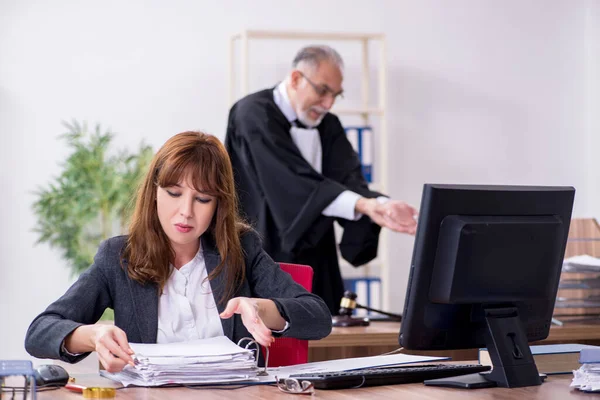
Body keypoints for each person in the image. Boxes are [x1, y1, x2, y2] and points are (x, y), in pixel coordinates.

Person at [25, 131, 332, 372]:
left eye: (202, 199)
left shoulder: (241, 249)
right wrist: (94, 336)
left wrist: (262, 309)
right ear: (154, 193)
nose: (185, 212)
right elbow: (40, 332)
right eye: (174, 193)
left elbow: (318, 317)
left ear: (218, 205)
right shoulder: (118, 256)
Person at [225, 45, 418, 314]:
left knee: (327, 337)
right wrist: (366, 205)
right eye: (322, 90)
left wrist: (382, 205)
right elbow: (290, 183)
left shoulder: (329, 125)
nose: (328, 104)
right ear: (295, 79)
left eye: (335, 95)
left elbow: (350, 183)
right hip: (264, 253)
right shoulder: (251, 114)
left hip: (318, 257)